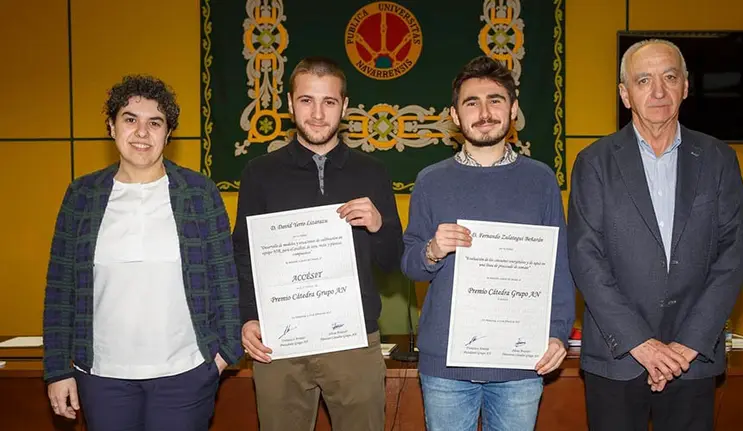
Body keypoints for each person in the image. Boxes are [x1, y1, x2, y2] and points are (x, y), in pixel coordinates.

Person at [42, 75, 243, 431]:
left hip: (184, 376)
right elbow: (60, 289)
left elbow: (224, 279)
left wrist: (223, 355)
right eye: (130, 119)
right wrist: (58, 369)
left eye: (155, 123)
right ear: (111, 126)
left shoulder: (198, 193)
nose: (141, 132)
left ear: (168, 134)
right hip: (102, 378)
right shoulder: (82, 196)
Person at [568, 38, 743, 430]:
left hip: (692, 358)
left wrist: (687, 345)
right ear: (625, 94)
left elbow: (732, 256)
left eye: (670, 77)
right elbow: (585, 257)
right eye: (644, 80)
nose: (659, 91)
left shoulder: (719, 159)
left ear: (686, 86)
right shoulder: (594, 163)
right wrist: (642, 344)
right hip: (618, 359)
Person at [400, 55, 575, 431]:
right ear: (454, 115)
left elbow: (559, 268)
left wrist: (558, 333)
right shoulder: (430, 180)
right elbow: (409, 263)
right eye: (471, 102)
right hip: (447, 366)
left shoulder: (540, 179)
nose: (484, 112)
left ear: (513, 109)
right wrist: (431, 249)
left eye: (495, 100)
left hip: (520, 363)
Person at [233, 56, 404, 431]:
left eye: (328, 102)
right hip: (280, 342)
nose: (317, 113)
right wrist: (248, 316)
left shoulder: (372, 172)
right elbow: (244, 255)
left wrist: (379, 224)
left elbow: (394, 262)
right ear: (291, 104)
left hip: (353, 340)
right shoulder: (259, 173)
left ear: (343, 106)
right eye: (307, 100)